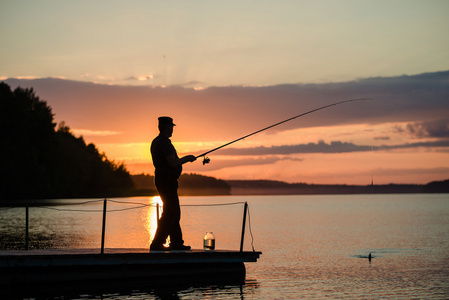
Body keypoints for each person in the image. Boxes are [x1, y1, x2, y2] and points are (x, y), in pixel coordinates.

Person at [150, 116, 196, 251]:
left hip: (163, 180)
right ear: (166, 127)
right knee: (170, 212)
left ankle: (176, 242)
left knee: (173, 211)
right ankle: (157, 243)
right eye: (171, 127)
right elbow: (172, 163)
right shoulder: (164, 143)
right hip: (166, 181)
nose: (172, 130)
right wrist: (187, 158)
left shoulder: (156, 141)